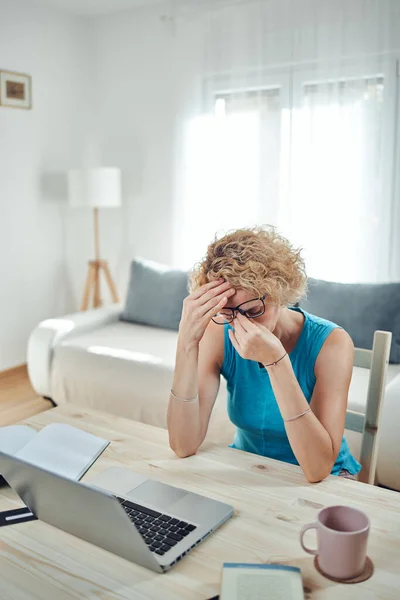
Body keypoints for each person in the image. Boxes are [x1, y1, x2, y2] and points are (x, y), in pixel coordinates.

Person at [167, 226, 361, 483]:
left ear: (281, 294)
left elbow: (317, 469)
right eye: (228, 313)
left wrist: (276, 362)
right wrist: (186, 343)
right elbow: (183, 445)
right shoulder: (220, 332)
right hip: (251, 471)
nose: (241, 325)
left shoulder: (333, 344)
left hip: (325, 480)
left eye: (254, 310)